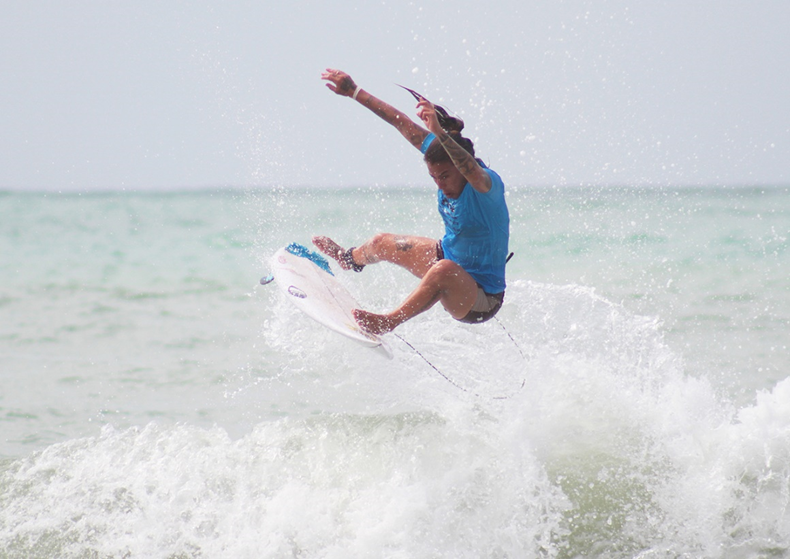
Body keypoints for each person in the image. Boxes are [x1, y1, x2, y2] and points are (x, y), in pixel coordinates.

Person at [314, 68, 510, 335]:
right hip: (449, 259)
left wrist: (441, 133)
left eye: (444, 176)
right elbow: (400, 122)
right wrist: (354, 92)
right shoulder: (440, 156)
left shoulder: (486, 185)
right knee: (380, 242)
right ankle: (348, 259)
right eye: (433, 177)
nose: (439, 183)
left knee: (443, 271)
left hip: (481, 299)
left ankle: (388, 322)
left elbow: (470, 171)